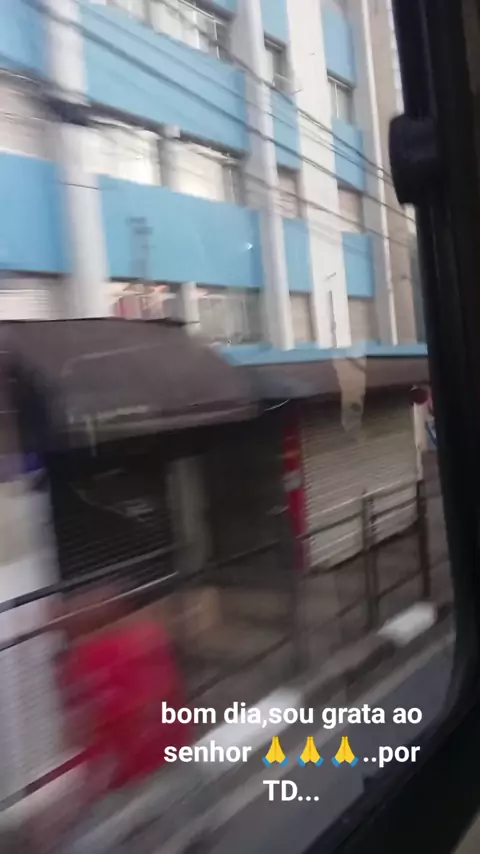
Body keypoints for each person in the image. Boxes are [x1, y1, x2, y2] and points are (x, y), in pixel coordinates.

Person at [47, 583, 205, 854]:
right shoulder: (141, 638)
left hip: (140, 773)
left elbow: (111, 728)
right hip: (158, 765)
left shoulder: (93, 657)